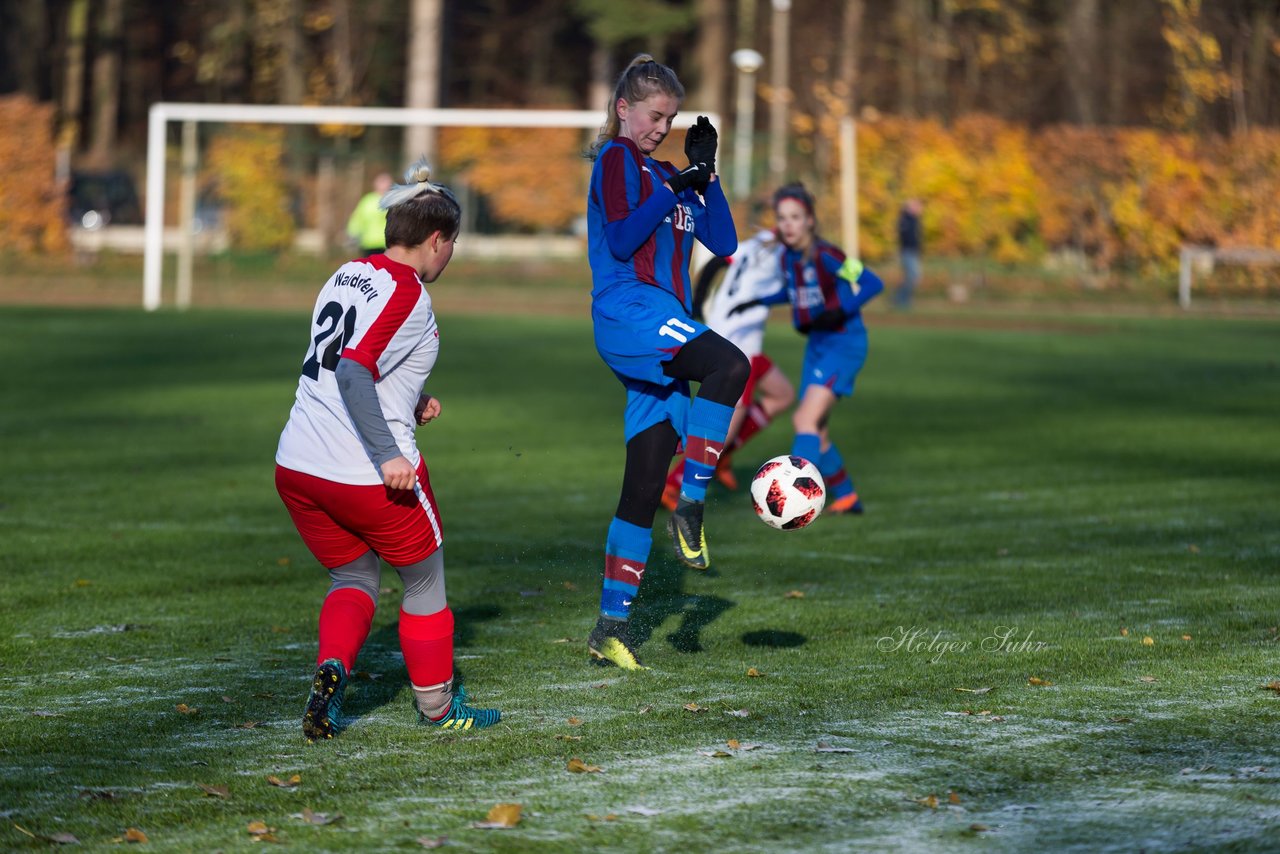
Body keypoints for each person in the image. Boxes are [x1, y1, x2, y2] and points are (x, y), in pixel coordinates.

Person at [275, 157, 501, 740]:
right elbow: (353, 371)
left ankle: (330, 671)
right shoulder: (409, 293)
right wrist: (388, 455)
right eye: (451, 244)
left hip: (299, 464)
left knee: (353, 578)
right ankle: (438, 709)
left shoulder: (349, 271)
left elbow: (350, 360)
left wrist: (414, 397)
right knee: (425, 582)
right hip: (365, 472)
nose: (449, 255)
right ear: (435, 240)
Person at [584, 54, 746, 670]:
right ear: (625, 108)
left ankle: (608, 629)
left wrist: (707, 175)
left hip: (658, 320)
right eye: (654, 115)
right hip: (631, 309)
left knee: (643, 481)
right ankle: (695, 504)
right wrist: (678, 185)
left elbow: (724, 244)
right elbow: (624, 239)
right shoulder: (617, 158)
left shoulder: (667, 170)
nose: (660, 128)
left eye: (670, 119)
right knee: (730, 366)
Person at [731, 183, 884, 514]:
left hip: (843, 343)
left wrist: (841, 308)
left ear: (810, 221)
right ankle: (845, 496)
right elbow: (795, 293)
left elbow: (872, 282)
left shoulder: (828, 255)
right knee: (818, 428)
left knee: (804, 419)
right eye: (782, 218)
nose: (788, 224)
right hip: (817, 344)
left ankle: (793, 501)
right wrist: (758, 301)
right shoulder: (788, 258)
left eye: (796, 217)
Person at [660, 224, 796, 509]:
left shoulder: (762, 240)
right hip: (740, 344)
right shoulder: (785, 252)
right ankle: (673, 484)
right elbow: (798, 288)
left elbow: (717, 261)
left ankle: (725, 455)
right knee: (729, 422)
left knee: (781, 394)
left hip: (733, 333)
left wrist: (698, 304)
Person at [346, 171, 394, 256]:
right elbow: (357, 218)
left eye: (386, 182)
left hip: (388, 244)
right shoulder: (367, 200)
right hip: (368, 243)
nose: (384, 185)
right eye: (382, 182)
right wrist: (352, 234)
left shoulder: (394, 200)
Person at [895, 197, 923, 309]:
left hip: (912, 251)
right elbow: (906, 237)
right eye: (917, 206)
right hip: (908, 251)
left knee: (912, 277)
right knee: (912, 276)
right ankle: (900, 300)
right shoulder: (905, 219)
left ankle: (902, 300)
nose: (920, 209)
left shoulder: (914, 220)